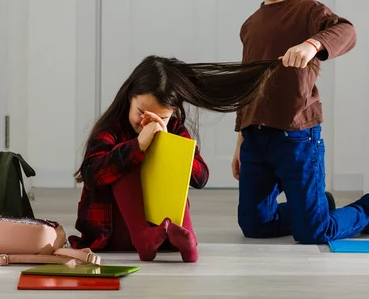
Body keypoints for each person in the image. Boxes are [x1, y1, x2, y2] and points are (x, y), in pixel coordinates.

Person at [232, 0, 369, 244]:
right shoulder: (250, 25)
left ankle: (368, 209)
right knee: (254, 224)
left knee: (312, 232)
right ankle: (317, 207)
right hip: (256, 137)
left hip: (296, 136)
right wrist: (240, 140)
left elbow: (347, 32)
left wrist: (312, 43)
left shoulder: (308, 12)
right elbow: (248, 89)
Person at [69, 55, 278, 262]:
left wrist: (167, 144)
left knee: (173, 160)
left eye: (162, 117)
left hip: (163, 236)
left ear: (173, 113)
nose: (147, 122)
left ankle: (187, 242)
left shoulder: (175, 130)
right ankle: (142, 235)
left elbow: (201, 177)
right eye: (141, 112)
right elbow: (91, 173)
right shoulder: (111, 131)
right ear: (128, 98)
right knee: (128, 158)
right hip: (111, 235)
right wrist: (138, 146)